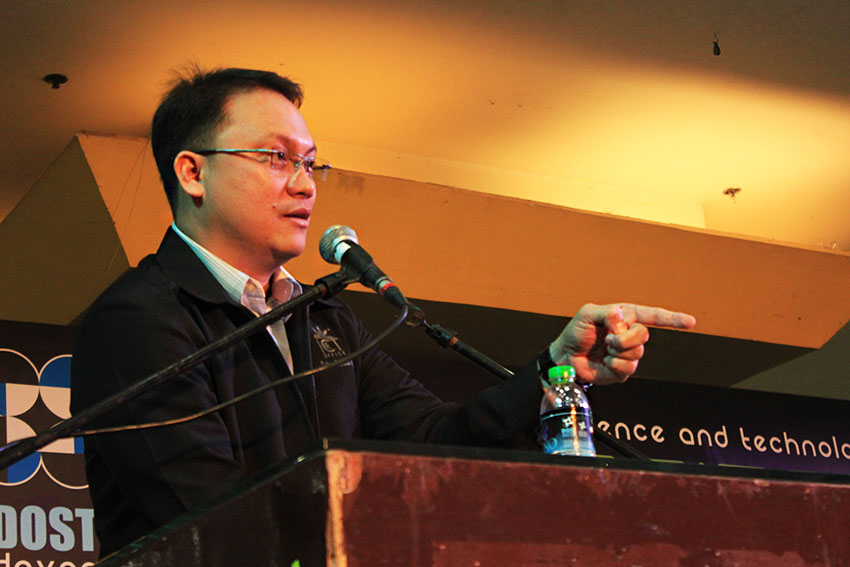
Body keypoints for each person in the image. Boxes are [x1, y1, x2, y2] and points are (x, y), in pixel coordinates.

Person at [70, 67, 696, 556]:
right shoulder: (138, 321)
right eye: (276, 158)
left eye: (310, 162)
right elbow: (214, 515)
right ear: (193, 172)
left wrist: (555, 370)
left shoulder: (325, 319)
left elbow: (432, 441)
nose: (306, 183)